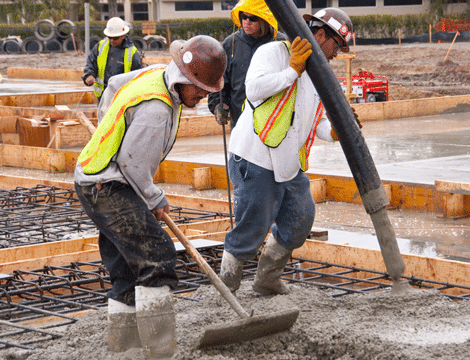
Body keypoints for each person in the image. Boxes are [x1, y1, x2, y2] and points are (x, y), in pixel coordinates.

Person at [74, 35, 226, 358]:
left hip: (95, 177)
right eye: (200, 89)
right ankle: (161, 352)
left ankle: (123, 348)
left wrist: (108, 129)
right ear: (185, 79)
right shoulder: (157, 108)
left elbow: (113, 85)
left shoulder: (155, 74)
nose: (202, 96)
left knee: (128, 267)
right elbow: (133, 163)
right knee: (156, 256)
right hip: (108, 185)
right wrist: (155, 197)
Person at [219, 8, 361, 295]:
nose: (337, 54)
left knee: (300, 217)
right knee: (251, 230)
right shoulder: (274, 52)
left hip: (285, 163)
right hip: (254, 157)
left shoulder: (318, 74)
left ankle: (267, 279)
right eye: (337, 45)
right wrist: (291, 71)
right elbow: (255, 88)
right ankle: (226, 288)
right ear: (320, 35)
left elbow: (316, 120)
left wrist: (336, 131)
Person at [208, 0, 287, 129]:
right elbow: (219, 81)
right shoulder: (230, 44)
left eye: (253, 18)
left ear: (264, 19)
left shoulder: (281, 43)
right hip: (240, 121)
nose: (247, 22)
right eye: (243, 17)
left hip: (273, 121)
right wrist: (218, 105)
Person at [82, 17, 142, 104]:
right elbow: (91, 62)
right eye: (110, 37)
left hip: (122, 97)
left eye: (115, 38)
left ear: (123, 36)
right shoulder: (101, 46)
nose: (112, 40)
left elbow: (137, 76)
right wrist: (89, 75)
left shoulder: (132, 52)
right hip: (103, 95)